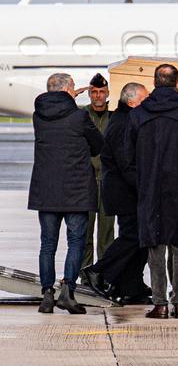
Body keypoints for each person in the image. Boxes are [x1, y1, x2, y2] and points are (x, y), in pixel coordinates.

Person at [127, 64, 178, 320]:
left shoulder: (138, 114)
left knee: (155, 246)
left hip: (150, 188)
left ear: (154, 82)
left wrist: (144, 176)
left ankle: (160, 303)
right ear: (177, 82)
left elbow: (128, 156)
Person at [28, 73, 104, 314]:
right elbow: (98, 145)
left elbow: (57, 109)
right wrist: (71, 100)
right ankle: (68, 291)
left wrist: (68, 97)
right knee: (76, 241)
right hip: (76, 189)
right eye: (72, 87)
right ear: (66, 90)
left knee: (47, 244)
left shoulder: (38, 116)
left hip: (46, 190)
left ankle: (47, 293)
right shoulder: (79, 116)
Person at [81, 82, 151, 305]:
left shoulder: (127, 119)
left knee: (139, 239)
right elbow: (126, 163)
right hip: (125, 192)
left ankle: (131, 287)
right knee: (133, 236)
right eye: (144, 99)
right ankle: (98, 270)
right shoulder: (123, 122)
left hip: (127, 190)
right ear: (132, 102)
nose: (148, 102)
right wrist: (144, 187)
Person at [79, 73, 115, 271]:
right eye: (94, 92)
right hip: (87, 182)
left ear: (108, 93)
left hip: (109, 181)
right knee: (85, 233)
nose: (98, 95)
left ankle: (103, 274)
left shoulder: (115, 115)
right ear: (89, 94)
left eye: (101, 91)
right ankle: (85, 275)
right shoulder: (81, 115)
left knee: (107, 234)